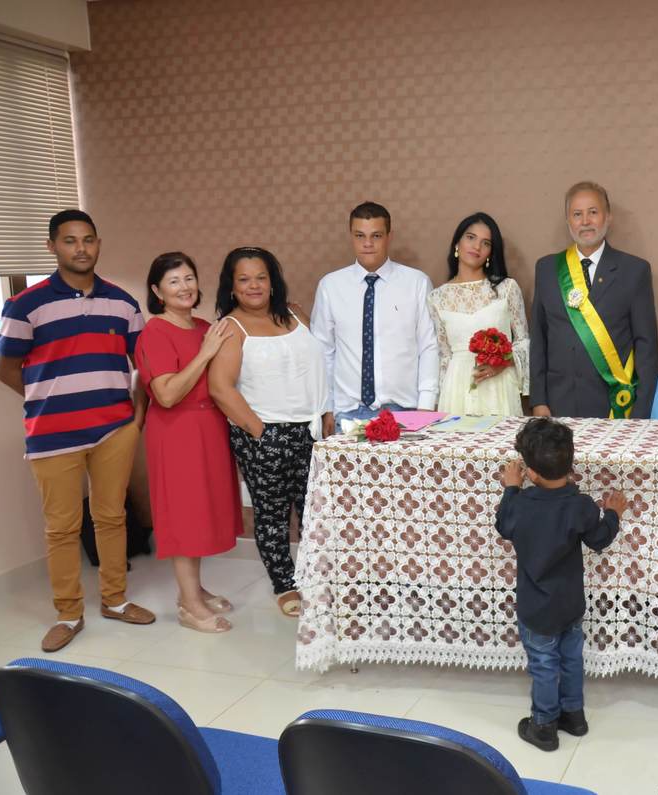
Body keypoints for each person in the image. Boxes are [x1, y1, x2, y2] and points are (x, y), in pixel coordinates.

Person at [0, 209, 155, 652]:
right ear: (52, 246)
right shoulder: (26, 304)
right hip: (52, 434)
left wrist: (136, 416)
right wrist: (48, 400)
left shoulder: (123, 302)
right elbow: (5, 369)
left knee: (111, 517)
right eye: (70, 240)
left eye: (88, 239)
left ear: (98, 244)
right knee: (62, 528)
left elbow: (143, 364)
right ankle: (68, 614)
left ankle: (115, 601)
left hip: (114, 429)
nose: (81, 248)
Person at [208, 247, 329, 618]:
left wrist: (325, 410)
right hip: (264, 435)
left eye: (261, 277)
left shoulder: (295, 314)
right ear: (231, 286)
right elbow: (220, 387)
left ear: (272, 281)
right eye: (244, 279)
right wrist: (259, 431)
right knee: (273, 516)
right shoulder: (232, 327)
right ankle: (284, 584)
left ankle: (315, 578)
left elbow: (320, 364)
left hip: (310, 430)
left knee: (316, 513)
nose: (254, 285)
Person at [496, 418, 625, 752]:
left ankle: (544, 726)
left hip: (537, 608)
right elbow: (599, 539)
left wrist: (511, 487)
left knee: (543, 666)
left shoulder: (520, 504)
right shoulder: (581, 505)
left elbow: (503, 525)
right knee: (571, 660)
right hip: (570, 605)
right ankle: (574, 716)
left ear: (531, 473)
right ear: (570, 464)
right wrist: (613, 514)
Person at [135, 252, 242, 633]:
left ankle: (193, 589)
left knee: (201, 511)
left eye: (189, 278)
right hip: (176, 431)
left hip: (209, 426)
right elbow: (166, 394)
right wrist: (205, 353)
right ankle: (189, 606)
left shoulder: (203, 326)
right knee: (183, 514)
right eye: (174, 281)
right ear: (157, 290)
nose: (185, 287)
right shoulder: (155, 333)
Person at [529, 181, 658, 418]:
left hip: (615, 405)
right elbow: (538, 338)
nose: (585, 221)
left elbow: (646, 345)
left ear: (608, 217)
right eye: (577, 214)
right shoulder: (547, 268)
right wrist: (538, 400)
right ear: (568, 220)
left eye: (593, 212)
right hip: (557, 403)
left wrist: (640, 413)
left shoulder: (634, 270)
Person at [311, 202, 439, 432]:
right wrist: (326, 408)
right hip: (347, 414)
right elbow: (324, 352)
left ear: (389, 237)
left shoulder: (417, 283)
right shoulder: (330, 286)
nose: (367, 244)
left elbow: (429, 347)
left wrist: (426, 406)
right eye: (360, 235)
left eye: (376, 236)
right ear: (351, 236)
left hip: (405, 411)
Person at [427, 212, 529, 415]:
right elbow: (443, 356)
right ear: (457, 243)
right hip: (456, 388)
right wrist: (437, 404)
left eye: (486, 243)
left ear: (491, 252)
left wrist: (502, 363)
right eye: (470, 237)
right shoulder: (437, 297)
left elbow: (523, 341)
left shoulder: (507, 288)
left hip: (499, 386)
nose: (476, 247)